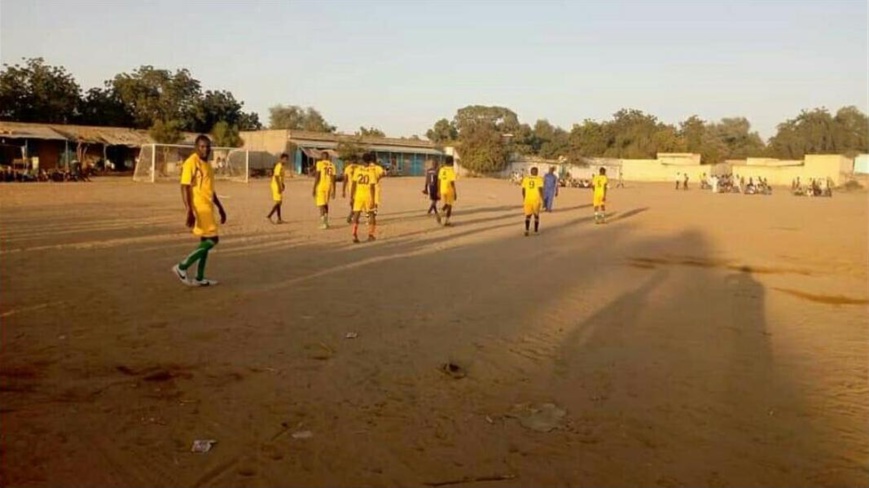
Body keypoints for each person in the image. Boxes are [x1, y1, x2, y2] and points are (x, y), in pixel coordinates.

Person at [172, 135, 226, 287]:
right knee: (213, 239)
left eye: (208, 146)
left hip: (208, 206)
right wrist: (189, 209)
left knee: (204, 240)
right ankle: (182, 267)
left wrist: (220, 207)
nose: (205, 149)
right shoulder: (191, 162)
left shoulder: (207, 165)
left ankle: (199, 277)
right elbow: (184, 186)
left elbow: (211, 189)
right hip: (199, 206)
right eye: (202, 146)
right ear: (196, 147)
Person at [350, 152, 377, 243]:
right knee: (371, 215)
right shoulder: (371, 171)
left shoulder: (357, 170)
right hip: (368, 195)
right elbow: (372, 187)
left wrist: (351, 196)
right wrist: (373, 199)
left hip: (358, 195)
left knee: (356, 214)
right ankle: (371, 234)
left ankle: (354, 234)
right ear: (370, 161)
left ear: (362, 160)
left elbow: (353, 184)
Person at [312, 152, 336, 229]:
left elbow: (318, 176)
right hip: (328, 186)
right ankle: (326, 222)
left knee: (321, 205)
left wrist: (314, 187)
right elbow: (333, 178)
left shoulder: (320, 163)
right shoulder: (332, 165)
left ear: (322, 156)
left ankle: (324, 223)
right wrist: (334, 190)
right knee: (325, 204)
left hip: (321, 186)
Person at [521, 167, 545, 236]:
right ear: (536, 172)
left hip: (527, 199)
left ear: (531, 172)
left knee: (528, 215)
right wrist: (543, 199)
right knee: (536, 215)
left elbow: (523, 190)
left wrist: (524, 198)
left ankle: (526, 230)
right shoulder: (539, 179)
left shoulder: (526, 179)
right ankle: (536, 231)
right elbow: (540, 189)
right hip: (536, 199)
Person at [267, 153, 287, 224]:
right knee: (279, 202)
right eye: (284, 159)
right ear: (281, 159)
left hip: (278, 184)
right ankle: (269, 216)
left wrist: (282, 184)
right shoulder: (278, 166)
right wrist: (279, 186)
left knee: (279, 202)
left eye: (286, 159)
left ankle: (279, 219)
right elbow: (276, 177)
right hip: (276, 185)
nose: (285, 161)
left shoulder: (282, 166)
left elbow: (281, 177)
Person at [438, 156, 458, 226]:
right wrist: (455, 192)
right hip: (449, 190)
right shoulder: (451, 170)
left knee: (446, 204)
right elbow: (452, 183)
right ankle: (446, 220)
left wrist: (438, 191)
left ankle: (440, 214)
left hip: (442, 189)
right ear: (451, 162)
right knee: (450, 205)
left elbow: (439, 180)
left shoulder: (441, 169)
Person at [342, 155, 362, 223]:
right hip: (360, 189)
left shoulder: (348, 168)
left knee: (353, 204)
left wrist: (343, 190)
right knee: (356, 204)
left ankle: (352, 217)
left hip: (351, 189)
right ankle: (353, 217)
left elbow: (345, 180)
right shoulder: (361, 168)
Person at [423, 159, 441, 224]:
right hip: (435, 187)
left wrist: (425, 188)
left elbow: (426, 180)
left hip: (430, 186)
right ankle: (431, 211)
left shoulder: (429, 170)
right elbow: (439, 180)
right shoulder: (437, 171)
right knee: (435, 200)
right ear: (436, 164)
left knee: (434, 200)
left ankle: (433, 211)